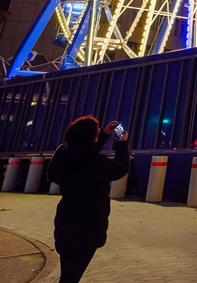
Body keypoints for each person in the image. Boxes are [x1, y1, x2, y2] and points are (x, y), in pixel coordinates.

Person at [48, 116, 130, 283]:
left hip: (67, 218)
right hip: (90, 222)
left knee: (69, 269)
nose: (99, 132)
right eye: (97, 132)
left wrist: (105, 135)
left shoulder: (63, 155)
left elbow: (84, 152)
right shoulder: (97, 162)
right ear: (91, 137)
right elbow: (121, 168)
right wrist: (121, 143)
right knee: (72, 274)